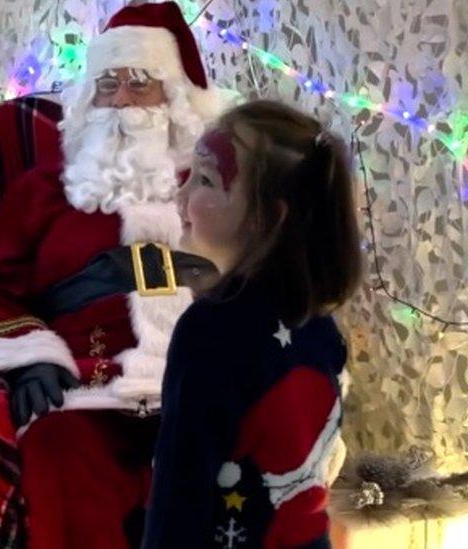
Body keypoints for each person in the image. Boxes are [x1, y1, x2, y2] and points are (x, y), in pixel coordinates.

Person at [0, 2, 239, 547]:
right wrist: (31, 357)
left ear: (178, 98)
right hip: (82, 388)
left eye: (140, 84)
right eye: (107, 84)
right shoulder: (44, 189)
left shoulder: (220, 189)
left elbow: (265, 276)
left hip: (204, 382)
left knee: (230, 463)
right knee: (60, 450)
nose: (120, 101)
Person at [143, 100, 362, 549]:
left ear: (266, 218)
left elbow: (179, 501)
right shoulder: (321, 326)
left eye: (206, 180)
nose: (180, 196)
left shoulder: (209, 331)